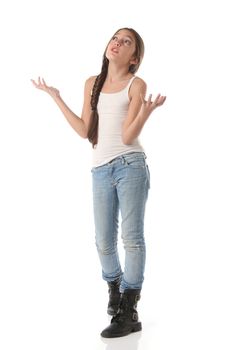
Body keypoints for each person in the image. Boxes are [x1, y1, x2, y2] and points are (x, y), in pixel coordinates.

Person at [31, 27, 166, 338]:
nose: (117, 43)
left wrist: (145, 114)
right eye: (115, 38)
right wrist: (56, 97)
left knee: (132, 239)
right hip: (100, 169)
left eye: (126, 41)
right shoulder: (92, 83)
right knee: (103, 241)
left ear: (135, 58)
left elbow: (127, 136)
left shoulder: (136, 84)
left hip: (131, 165)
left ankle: (129, 308)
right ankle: (116, 290)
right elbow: (83, 130)